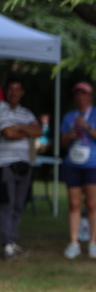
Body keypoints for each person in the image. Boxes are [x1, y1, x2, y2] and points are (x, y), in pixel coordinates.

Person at [59, 82, 96, 259]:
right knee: (74, 204)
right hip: (73, 164)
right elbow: (62, 143)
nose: (81, 97)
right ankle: (74, 242)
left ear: (90, 96)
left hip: (93, 165)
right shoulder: (69, 116)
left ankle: (93, 242)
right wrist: (70, 135)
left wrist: (87, 127)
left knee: (92, 204)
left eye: (84, 94)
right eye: (78, 94)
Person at [0, 76, 43, 261]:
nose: (14, 93)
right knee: (6, 204)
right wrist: (26, 131)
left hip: (24, 164)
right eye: (11, 89)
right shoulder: (1, 109)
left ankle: (12, 240)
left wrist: (19, 127)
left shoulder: (27, 113)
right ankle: (6, 243)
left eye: (17, 89)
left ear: (22, 92)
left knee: (19, 204)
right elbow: (8, 133)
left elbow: (38, 131)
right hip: (5, 165)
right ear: (6, 91)